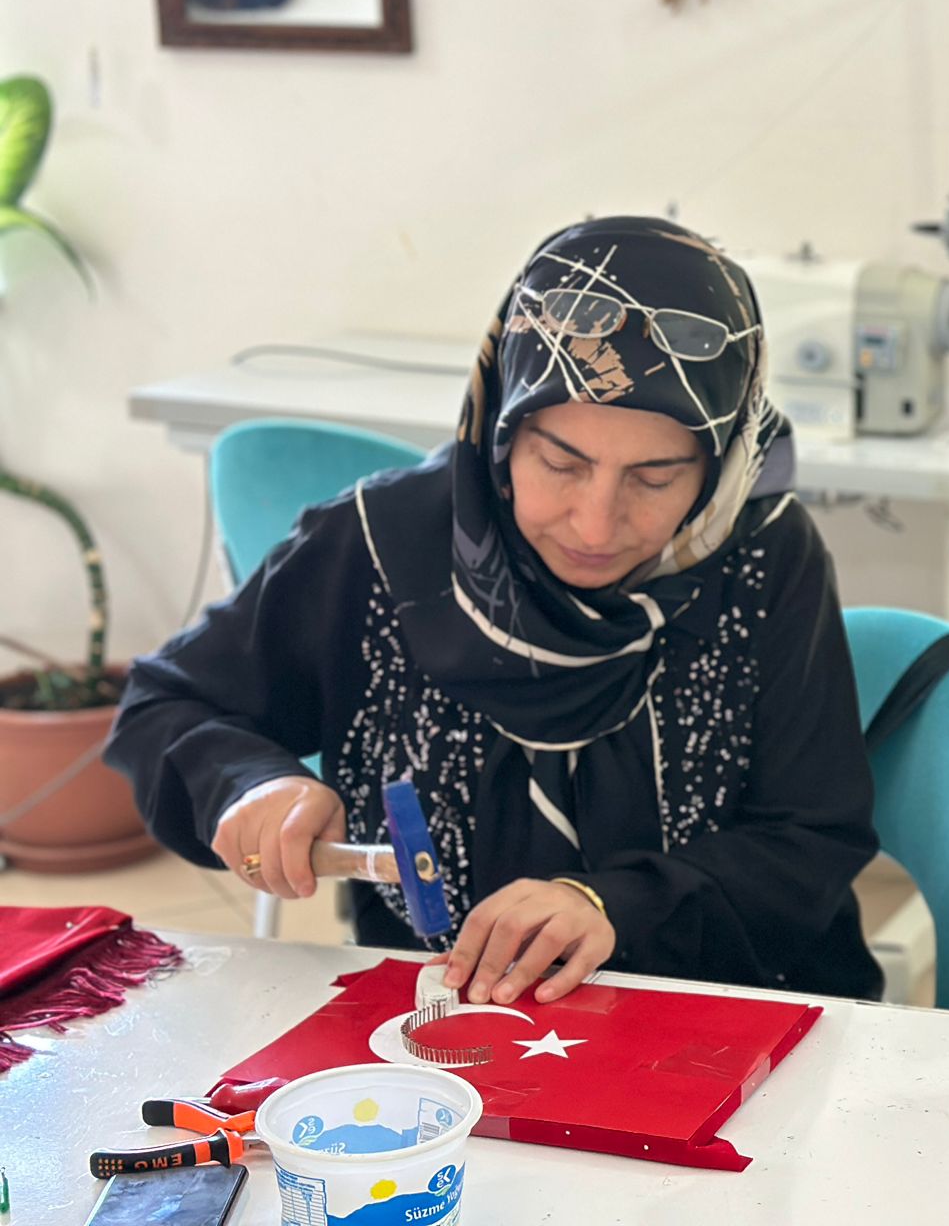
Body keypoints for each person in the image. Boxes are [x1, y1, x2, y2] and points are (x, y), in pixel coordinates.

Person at [111, 218, 882, 1006]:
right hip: (442, 1016)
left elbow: (811, 837)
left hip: (728, 1008)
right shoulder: (379, 547)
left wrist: (610, 905)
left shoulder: (761, 556)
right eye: (560, 464)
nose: (595, 525)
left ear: (717, 465)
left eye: (655, 479)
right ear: (503, 430)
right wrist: (247, 783)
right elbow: (167, 705)